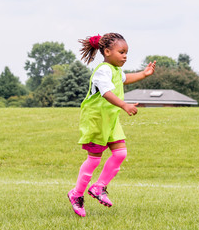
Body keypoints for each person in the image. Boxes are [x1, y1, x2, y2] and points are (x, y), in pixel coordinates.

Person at [67, 33, 156, 217]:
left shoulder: (115, 71)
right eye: (121, 52)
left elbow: (125, 78)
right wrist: (124, 105)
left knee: (120, 153)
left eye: (126, 53)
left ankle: (99, 187)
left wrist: (144, 74)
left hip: (110, 119)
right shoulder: (103, 70)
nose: (125, 56)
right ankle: (76, 194)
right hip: (96, 120)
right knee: (94, 159)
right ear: (107, 52)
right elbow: (106, 92)